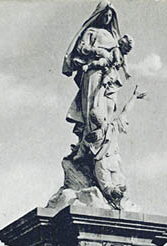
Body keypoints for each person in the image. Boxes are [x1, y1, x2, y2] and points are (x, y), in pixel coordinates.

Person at [62, 1, 132, 151]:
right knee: (91, 106)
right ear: (99, 15)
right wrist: (99, 51)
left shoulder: (114, 38)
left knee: (106, 108)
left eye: (109, 15)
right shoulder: (91, 32)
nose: (107, 18)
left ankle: (101, 142)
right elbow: (82, 48)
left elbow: (120, 58)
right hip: (93, 72)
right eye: (105, 15)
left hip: (110, 78)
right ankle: (87, 145)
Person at [85, 85, 146, 208]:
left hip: (101, 162)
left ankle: (114, 198)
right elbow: (125, 110)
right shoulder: (113, 126)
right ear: (103, 117)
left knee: (107, 187)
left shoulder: (91, 136)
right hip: (114, 160)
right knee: (118, 183)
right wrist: (134, 96)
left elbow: (86, 151)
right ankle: (119, 198)